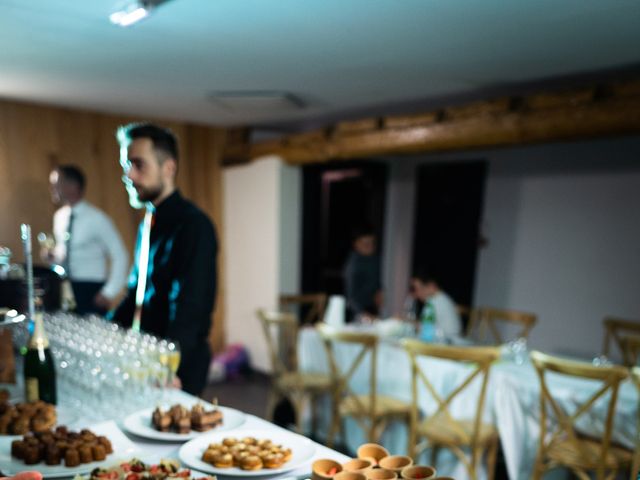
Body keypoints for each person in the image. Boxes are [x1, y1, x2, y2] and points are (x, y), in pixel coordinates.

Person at [110, 123, 218, 396]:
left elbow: (191, 309)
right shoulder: (148, 221)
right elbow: (137, 292)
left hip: (178, 361)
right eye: (126, 165)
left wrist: (169, 367)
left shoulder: (194, 225)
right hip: (146, 354)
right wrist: (102, 331)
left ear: (168, 168)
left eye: (138, 164)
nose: (129, 174)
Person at [43, 165, 128, 315]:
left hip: (91, 290)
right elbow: (66, 252)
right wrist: (53, 256)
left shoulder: (97, 218)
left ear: (73, 186)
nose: (52, 188)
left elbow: (120, 255)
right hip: (65, 287)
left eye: (56, 183)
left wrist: (109, 292)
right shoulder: (60, 217)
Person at [343, 227, 382, 321]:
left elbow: (376, 282)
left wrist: (379, 290)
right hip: (355, 312)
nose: (369, 246)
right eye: (365, 243)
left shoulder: (375, 259)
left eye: (372, 243)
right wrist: (362, 314)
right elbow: (350, 298)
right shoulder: (353, 265)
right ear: (356, 244)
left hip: (372, 308)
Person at [410, 271, 462, 338]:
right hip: (450, 339)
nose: (416, 294)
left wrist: (408, 324)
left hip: (446, 341)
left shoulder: (433, 302)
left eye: (417, 289)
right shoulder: (441, 298)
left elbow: (425, 328)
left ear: (432, 286)